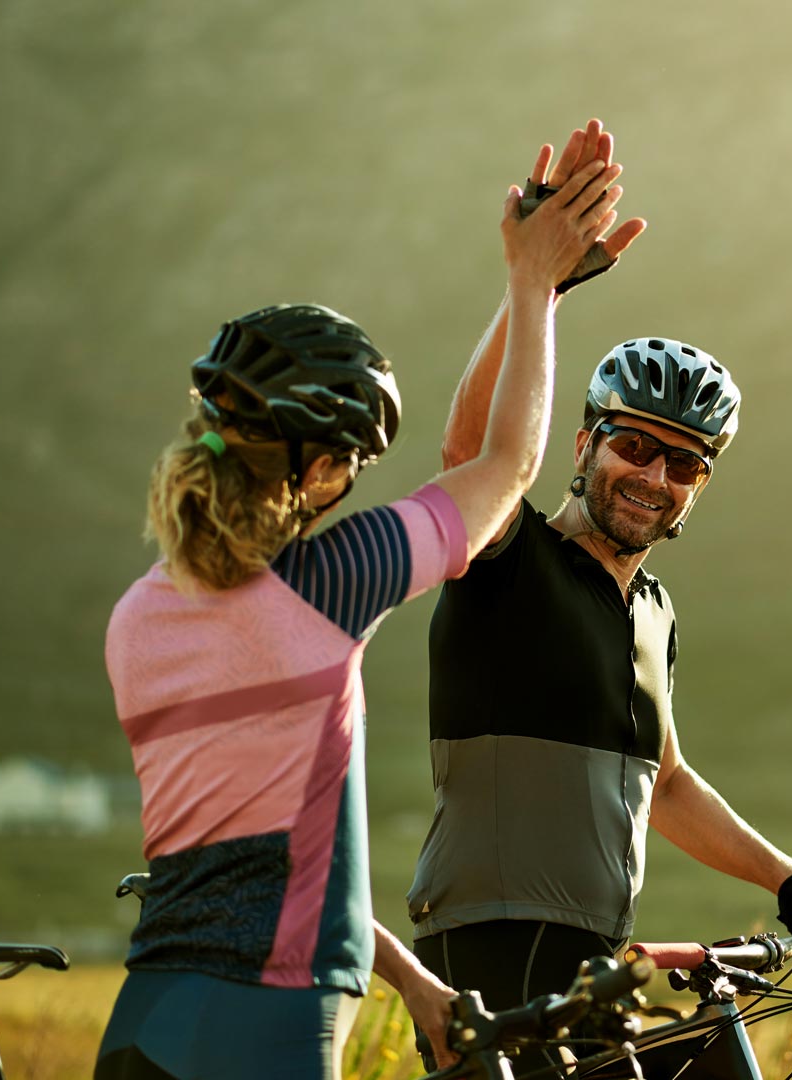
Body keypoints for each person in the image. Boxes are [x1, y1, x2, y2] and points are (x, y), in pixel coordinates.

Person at [94, 137, 630, 1080]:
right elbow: (503, 468)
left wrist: (415, 983)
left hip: (147, 1019)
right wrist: (533, 282)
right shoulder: (324, 588)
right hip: (270, 1026)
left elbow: (266, 867)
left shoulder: (137, 618)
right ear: (323, 469)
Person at [403, 121, 792, 1050]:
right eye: (633, 445)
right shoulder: (511, 557)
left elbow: (664, 787)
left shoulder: (652, 615)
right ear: (584, 443)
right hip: (492, 956)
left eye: (684, 464)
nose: (652, 476)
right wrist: (535, 285)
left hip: (595, 963)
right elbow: (471, 454)